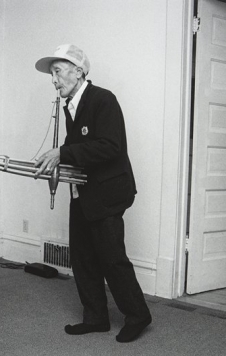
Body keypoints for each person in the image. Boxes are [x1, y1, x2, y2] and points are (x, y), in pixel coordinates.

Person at [34, 44, 152, 343]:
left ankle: (138, 316)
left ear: (78, 71)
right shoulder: (70, 106)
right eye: (52, 74)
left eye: (58, 72)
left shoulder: (102, 99)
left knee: (112, 258)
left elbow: (111, 146)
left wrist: (63, 152)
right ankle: (96, 317)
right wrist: (60, 165)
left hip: (108, 193)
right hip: (82, 193)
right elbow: (80, 153)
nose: (54, 80)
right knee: (84, 258)